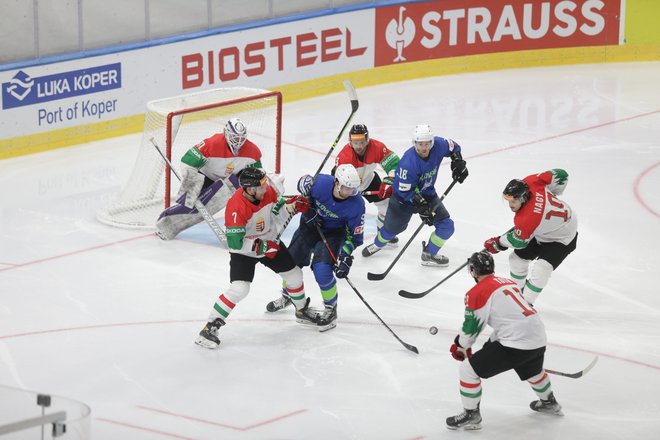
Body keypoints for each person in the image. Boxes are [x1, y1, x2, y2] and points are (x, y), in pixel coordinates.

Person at [195, 168, 319, 349]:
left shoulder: (266, 192)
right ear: (249, 189)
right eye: (260, 186)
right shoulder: (236, 208)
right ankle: (210, 327)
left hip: (269, 239)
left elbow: (276, 212)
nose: (265, 188)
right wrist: (262, 247)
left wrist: (291, 206)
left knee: (294, 275)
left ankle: (301, 311)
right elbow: (235, 244)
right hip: (246, 251)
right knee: (239, 289)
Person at [446, 251, 562, 431]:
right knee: (532, 370)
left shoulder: (477, 291)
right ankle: (549, 402)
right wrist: (492, 342)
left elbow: (472, 326)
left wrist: (461, 346)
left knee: (467, 370)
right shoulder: (508, 282)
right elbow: (512, 318)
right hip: (537, 335)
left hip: (516, 341)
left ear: (473, 271)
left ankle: (471, 415)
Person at [264, 164, 365, 331]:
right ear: (337, 182)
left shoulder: (357, 204)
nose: (349, 192)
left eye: (353, 189)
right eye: (346, 188)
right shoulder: (321, 183)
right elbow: (302, 185)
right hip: (309, 227)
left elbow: (354, 237)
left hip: (332, 234)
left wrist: (346, 255)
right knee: (290, 264)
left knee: (322, 270)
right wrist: (304, 185)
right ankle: (288, 296)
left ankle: (331, 308)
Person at [361, 124, 468, 267]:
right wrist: (422, 207)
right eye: (420, 144)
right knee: (390, 232)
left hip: (428, 194)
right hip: (403, 201)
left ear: (432, 142)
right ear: (414, 143)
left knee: (446, 226)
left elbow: (453, 147)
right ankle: (378, 244)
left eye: (427, 143)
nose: (424, 148)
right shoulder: (408, 163)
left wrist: (458, 161)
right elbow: (406, 191)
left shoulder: (439, 145)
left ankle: (429, 253)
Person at [156, 118, 269, 240]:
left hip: (231, 180)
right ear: (226, 133)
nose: (239, 141)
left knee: (250, 197)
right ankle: (164, 224)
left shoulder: (253, 151)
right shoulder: (212, 144)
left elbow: (256, 173)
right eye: (235, 137)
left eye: (242, 138)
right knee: (190, 205)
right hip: (205, 177)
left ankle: (245, 228)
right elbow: (187, 161)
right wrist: (193, 182)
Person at [483, 169, 577, 306]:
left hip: (563, 237)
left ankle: (525, 303)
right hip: (541, 230)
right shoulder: (531, 182)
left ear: (523, 198)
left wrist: (498, 243)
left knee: (542, 268)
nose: (510, 205)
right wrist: (555, 192)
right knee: (516, 259)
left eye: (513, 201)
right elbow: (562, 174)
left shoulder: (527, 219)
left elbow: (518, 241)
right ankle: (518, 293)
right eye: (507, 200)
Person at [333, 123, 400, 246]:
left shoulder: (377, 147)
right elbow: (338, 179)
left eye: (362, 142)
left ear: (367, 139)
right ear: (350, 141)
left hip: (369, 180)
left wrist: (389, 181)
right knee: (344, 212)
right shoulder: (344, 156)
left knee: (386, 205)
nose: (359, 146)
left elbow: (395, 165)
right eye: (355, 142)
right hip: (349, 185)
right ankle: (339, 237)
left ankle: (383, 233)